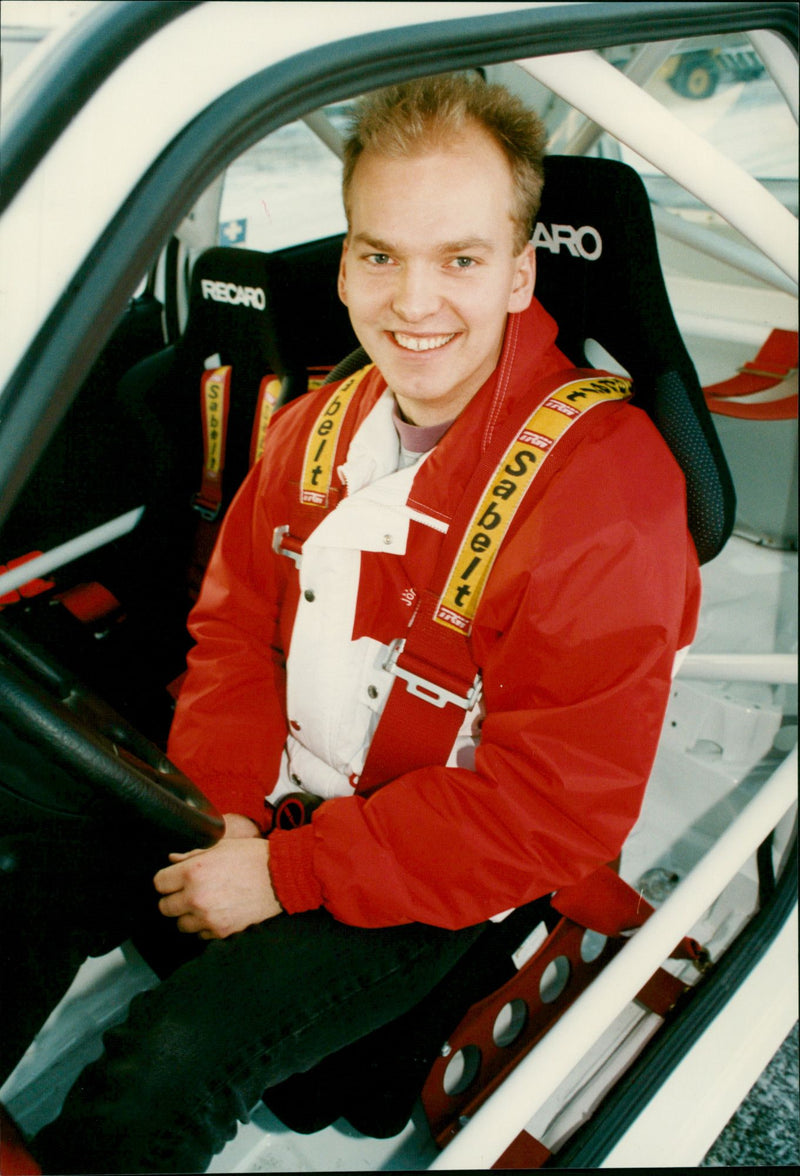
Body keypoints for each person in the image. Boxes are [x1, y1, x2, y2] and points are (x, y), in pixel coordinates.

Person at [28, 72, 700, 1173]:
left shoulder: (605, 495)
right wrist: (229, 816)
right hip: (271, 803)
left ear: (521, 272)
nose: (412, 303)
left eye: (460, 260)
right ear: (341, 260)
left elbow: (548, 814)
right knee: (30, 856)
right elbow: (236, 635)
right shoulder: (312, 422)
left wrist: (287, 877)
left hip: (438, 861)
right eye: (378, 255)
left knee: (162, 1077)